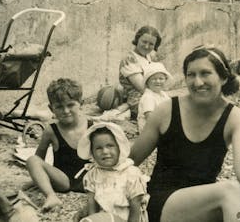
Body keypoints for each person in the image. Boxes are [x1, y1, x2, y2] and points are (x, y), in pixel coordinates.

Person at [130, 46, 240, 222]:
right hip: (163, 203)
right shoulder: (167, 110)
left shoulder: (235, 117)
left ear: (223, 78)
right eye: (191, 75)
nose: (197, 82)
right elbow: (131, 160)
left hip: (205, 204)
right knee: (230, 190)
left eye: (205, 73)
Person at [25, 78, 89, 211]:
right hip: (62, 181)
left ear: (81, 103)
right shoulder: (51, 130)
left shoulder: (92, 127)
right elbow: (39, 159)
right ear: (51, 108)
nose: (65, 111)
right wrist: (39, 179)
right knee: (31, 160)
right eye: (59, 107)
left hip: (88, 181)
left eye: (70, 105)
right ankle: (51, 196)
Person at [77, 122, 149, 222]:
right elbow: (92, 206)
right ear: (92, 152)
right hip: (103, 218)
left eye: (110, 146)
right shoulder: (92, 175)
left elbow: (135, 206)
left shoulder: (131, 174)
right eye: (98, 148)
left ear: (120, 147)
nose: (105, 151)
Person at [119, 26, 162, 120]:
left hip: (152, 95)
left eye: (151, 44)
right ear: (137, 39)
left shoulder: (150, 56)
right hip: (138, 101)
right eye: (144, 41)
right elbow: (142, 88)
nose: (147, 46)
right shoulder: (129, 59)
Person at [137, 62, 172, 131]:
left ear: (165, 80)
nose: (158, 81)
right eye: (154, 79)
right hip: (150, 130)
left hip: (161, 124)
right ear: (147, 82)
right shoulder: (148, 97)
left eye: (161, 78)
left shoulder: (163, 94)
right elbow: (150, 117)